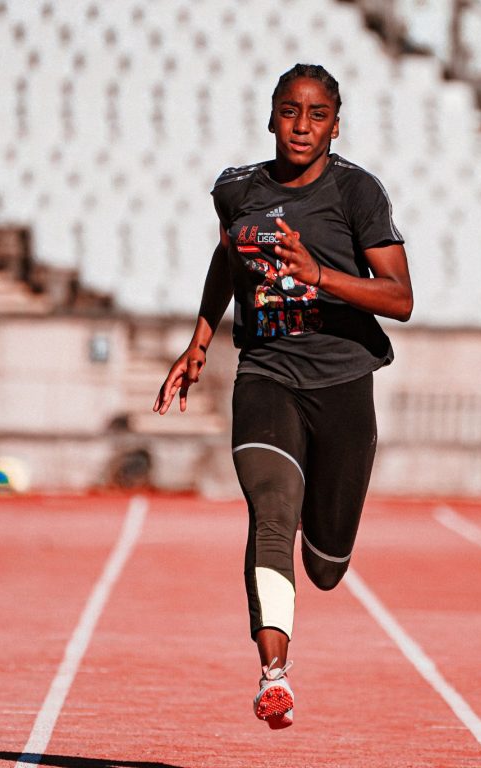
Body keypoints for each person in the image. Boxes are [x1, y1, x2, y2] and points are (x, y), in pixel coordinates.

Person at [154, 63, 413, 729]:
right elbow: (228, 257)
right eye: (291, 111)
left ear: (335, 123)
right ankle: (275, 676)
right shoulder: (237, 190)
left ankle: (320, 544)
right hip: (266, 374)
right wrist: (202, 338)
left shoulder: (357, 193)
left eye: (317, 114)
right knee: (271, 510)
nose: (302, 126)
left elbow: (400, 297)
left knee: (326, 565)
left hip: (342, 384)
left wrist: (319, 274)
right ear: (271, 115)